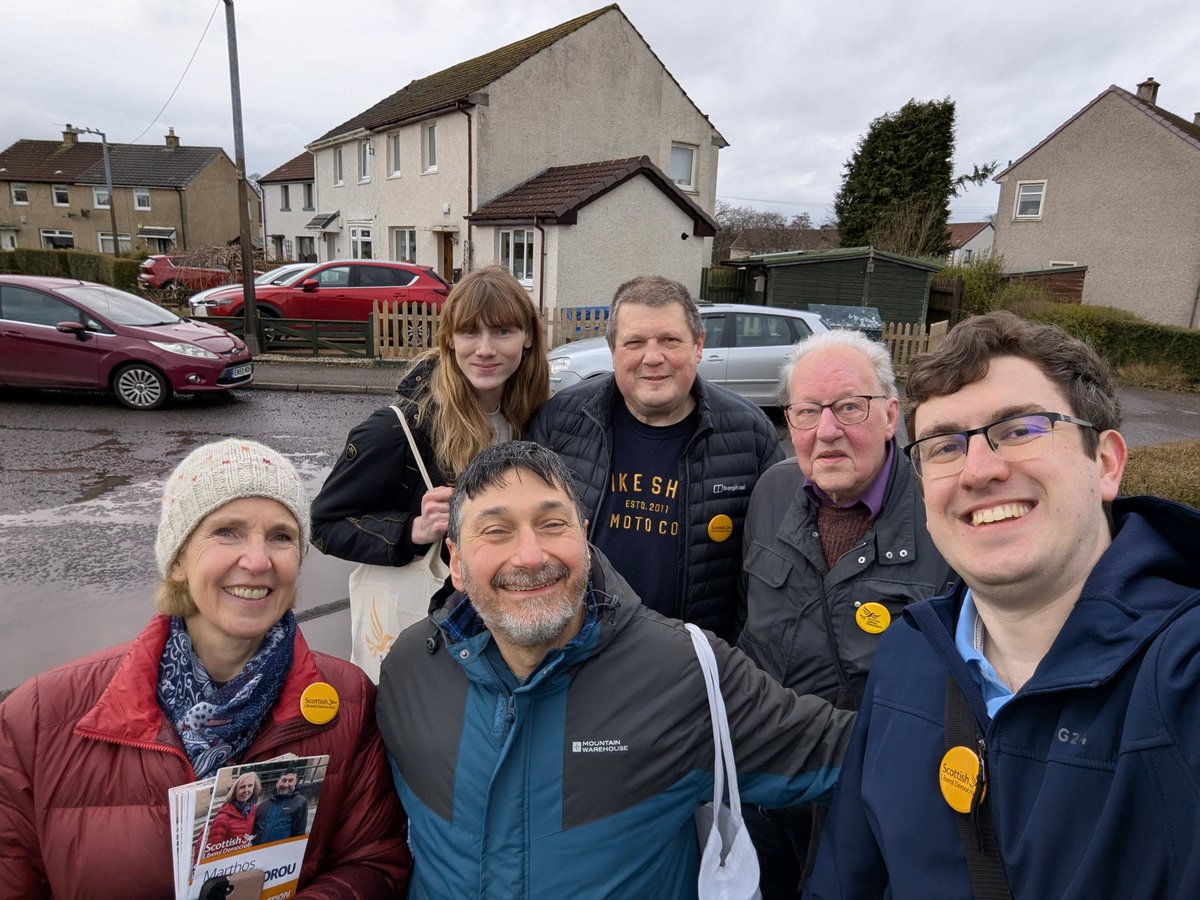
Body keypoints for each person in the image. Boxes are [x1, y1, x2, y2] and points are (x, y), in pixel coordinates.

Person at [807, 311, 1200, 898]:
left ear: (1107, 462)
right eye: (944, 445)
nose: (979, 470)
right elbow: (846, 877)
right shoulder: (910, 655)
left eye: (1019, 430)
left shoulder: (1182, 678)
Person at [376, 441, 854, 898]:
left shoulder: (680, 672)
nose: (529, 556)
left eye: (552, 524)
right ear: (456, 562)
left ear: (584, 537)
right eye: (496, 531)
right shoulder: (412, 669)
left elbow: (849, 754)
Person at [0, 439, 409, 897]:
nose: (258, 561)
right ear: (177, 560)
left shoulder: (348, 700)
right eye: (226, 532)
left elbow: (373, 862)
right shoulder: (39, 718)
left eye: (281, 536)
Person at [738, 329, 953, 898]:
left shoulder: (944, 518)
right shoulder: (772, 492)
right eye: (807, 412)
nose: (826, 431)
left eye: (848, 408)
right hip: (765, 792)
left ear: (890, 415)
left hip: (871, 805)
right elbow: (748, 632)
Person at [528, 275, 782, 640]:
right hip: (577, 647)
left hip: (690, 660)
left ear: (698, 345)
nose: (653, 357)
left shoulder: (750, 434)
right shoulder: (561, 421)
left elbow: (768, 568)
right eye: (634, 342)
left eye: (669, 340)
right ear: (613, 350)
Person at [311, 265, 550, 618]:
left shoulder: (538, 421)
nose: (485, 349)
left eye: (502, 331)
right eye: (470, 332)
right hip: (434, 628)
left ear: (527, 337)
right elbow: (323, 526)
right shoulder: (397, 430)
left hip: (509, 615)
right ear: (450, 339)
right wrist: (414, 530)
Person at [203, 771, 261, 857]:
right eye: (242, 787)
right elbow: (211, 853)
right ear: (234, 791)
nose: (246, 790)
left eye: (250, 786)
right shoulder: (222, 818)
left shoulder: (253, 809)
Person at [252, 768, 309, 845]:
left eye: (290, 780)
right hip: (258, 851)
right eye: (284, 780)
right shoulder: (263, 805)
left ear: (296, 782)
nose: (286, 784)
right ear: (278, 782)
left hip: (280, 852)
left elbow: (299, 833)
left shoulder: (300, 802)